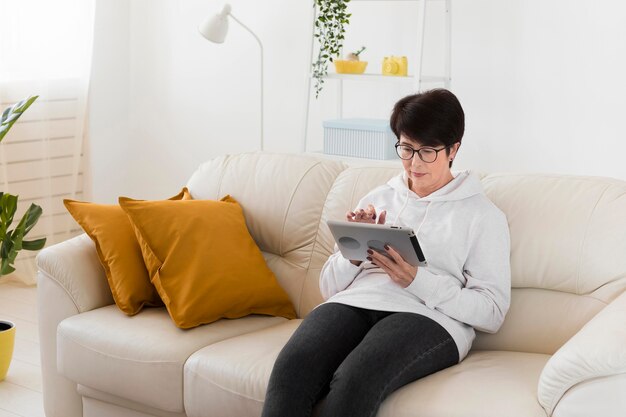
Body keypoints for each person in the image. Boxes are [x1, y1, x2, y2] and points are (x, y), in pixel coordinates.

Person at [261, 88, 511, 417]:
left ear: (453, 149)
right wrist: (352, 254)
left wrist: (416, 280)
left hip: (429, 317)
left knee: (354, 381)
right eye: (406, 149)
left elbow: (492, 312)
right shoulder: (380, 197)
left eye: (427, 152)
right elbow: (328, 289)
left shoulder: (482, 215)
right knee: (290, 370)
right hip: (356, 301)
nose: (414, 163)